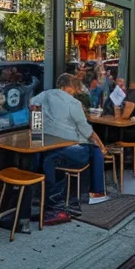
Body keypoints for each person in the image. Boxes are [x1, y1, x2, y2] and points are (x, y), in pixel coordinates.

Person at [35, 73, 110, 219]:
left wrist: (101, 147)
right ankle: (48, 201)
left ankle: (52, 204)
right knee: (44, 156)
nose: (75, 92)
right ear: (63, 88)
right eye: (72, 88)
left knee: (49, 159)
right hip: (59, 146)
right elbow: (36, 129)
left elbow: (88, 132)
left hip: (76, 149)